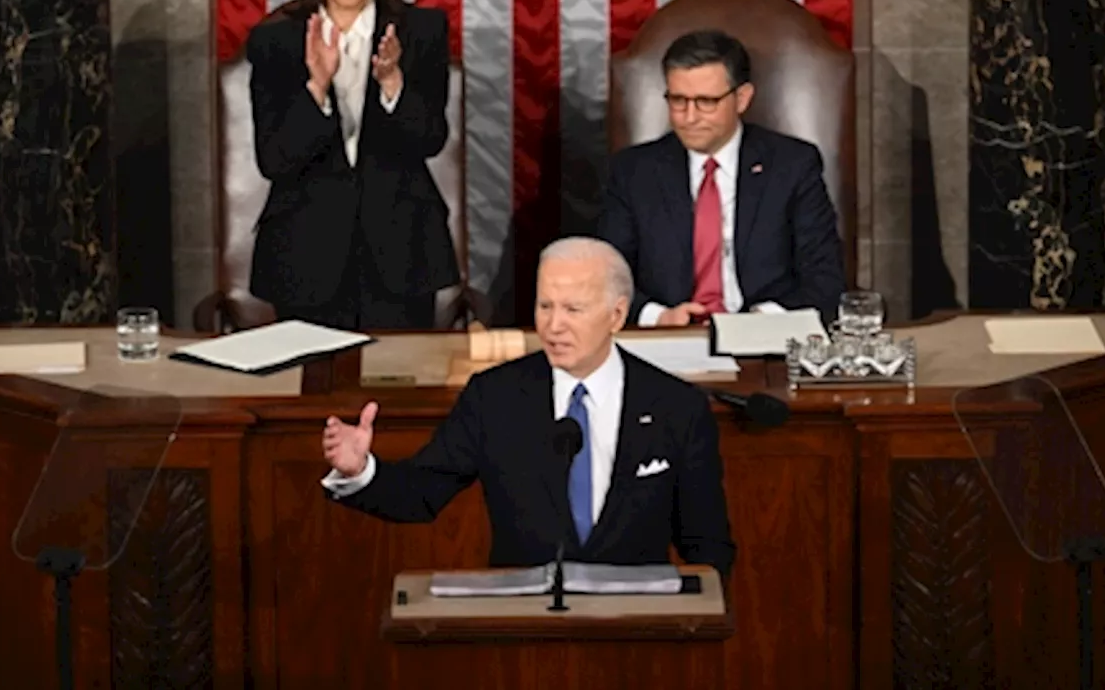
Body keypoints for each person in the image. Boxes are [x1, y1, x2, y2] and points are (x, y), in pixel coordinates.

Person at [319, 236, 735, 578]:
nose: (554, 326)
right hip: (523, 637)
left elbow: (708, 547)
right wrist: (360, 470)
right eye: (545, 306)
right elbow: (421, 493)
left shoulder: (676, 406)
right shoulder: (494, 396)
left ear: (616, 315)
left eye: (573, 309)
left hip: (637, 639)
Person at [245, 0, 459, 329]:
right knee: (314, 393)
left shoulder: (420, 32)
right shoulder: (276, 40)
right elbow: (274, 159)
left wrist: (392, 82)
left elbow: (431, 138)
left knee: (399, 387)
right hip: (304, 254)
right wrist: (317, 87)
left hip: (403, 252)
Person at [597, 29, 846, 327]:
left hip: (764, 339)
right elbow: (607, 275)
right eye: (678, 100)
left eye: (706, 102)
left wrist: (758, 322)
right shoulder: (634, 171)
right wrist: (659, 316)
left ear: (742, 99)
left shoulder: (792, 165)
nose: (689, 117)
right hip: (668, 340)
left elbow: (825, 277)